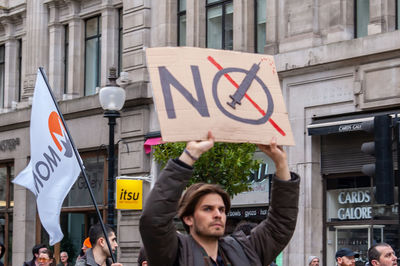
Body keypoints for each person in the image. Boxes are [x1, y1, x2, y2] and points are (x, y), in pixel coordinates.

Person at [139, 132, 300, 266]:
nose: (218, 214)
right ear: (188, 218)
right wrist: (189, 156)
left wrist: (281, 164)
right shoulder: (175, 254)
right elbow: (153, 220)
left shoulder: (245, 250)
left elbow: (280, 224)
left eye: (222, 209)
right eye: (207, 208)